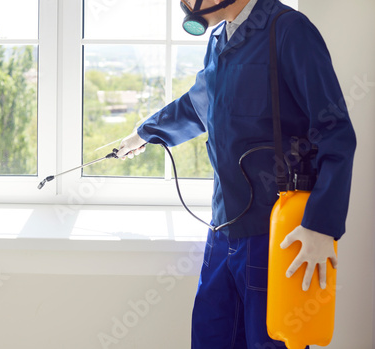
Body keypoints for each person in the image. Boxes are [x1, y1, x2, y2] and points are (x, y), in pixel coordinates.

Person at [116, 0, 356, 348]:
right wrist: (145, 132)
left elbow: (334, 130)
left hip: (273, 234)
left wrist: (321, 225)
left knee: (269, 340)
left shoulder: (289, 31)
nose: (186, 3)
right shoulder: (219, 39)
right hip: (223, 231)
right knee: (212, 336)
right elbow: (199, 104)